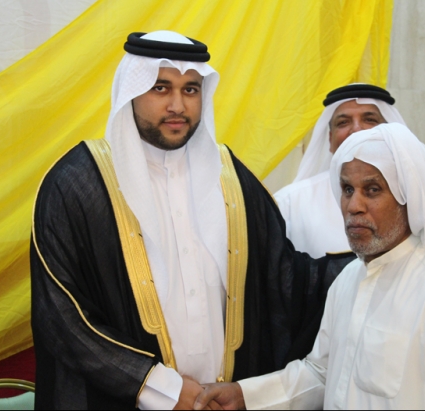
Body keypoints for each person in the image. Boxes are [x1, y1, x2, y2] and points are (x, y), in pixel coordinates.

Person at [29, 30, 353, 410]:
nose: (177, 106)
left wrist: (372, 264)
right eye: (160, 88)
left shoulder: (230, 179)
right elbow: (62, 316)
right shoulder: (78, 185)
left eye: (191, 90)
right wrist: (161, 389)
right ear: (131, 91)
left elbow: (284, 281)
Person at [194, 124, 425, 410]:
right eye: (347, 189)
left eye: (372, 190)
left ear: (409, 198)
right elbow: (321, 373)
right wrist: (244, 396)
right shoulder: (348, 280)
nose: (354, 206)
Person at [274, 83, 425, 258]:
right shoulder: (290, 204)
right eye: (343, 122)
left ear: (391, 134)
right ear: (330, 139)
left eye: (369, 119)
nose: (357, 130)